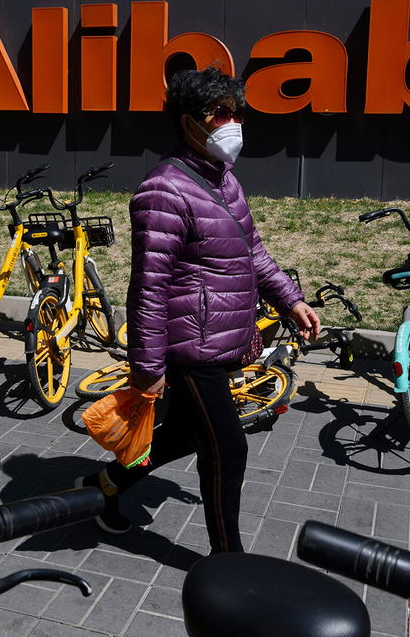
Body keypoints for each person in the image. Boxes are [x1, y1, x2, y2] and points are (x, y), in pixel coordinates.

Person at [78, 67, 320, 553]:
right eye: (221, 114)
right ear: (189, 122)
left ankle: (103, 484)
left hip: (218, 338)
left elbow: (253, 252)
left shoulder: (225, 180)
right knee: (228, 451)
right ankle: (227, 561)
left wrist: (289, 299)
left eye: (238, 113)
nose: (234, 123)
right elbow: (148, 288)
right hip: (190, 348)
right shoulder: (162, 191)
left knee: (187, 434)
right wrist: (147, 369)